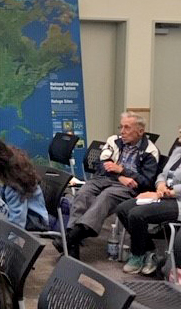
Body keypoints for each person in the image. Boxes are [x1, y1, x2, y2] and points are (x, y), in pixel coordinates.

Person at [53, 111, 159, 260]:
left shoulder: (150, 151)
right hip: (105, 179)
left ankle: (71, 239)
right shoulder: (114, 141)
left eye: (127, 128)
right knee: (83, 193)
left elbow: (146, 182)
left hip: (127, 188)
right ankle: (73, 243)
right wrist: (119, 175)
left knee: (105, 197)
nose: (122, 132)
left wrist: (122, 170)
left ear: (140, 131)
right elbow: (100, 164)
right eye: (121, 127)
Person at [116, 128, 181, 274]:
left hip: (177, 201)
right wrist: (160, 185)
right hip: (163, 194)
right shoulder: (177, 151)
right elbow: (162, 174)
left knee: (137, 214)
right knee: (123, 209)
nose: (179, 130)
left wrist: (168, 192)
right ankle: (149, 251)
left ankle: (137, 255)